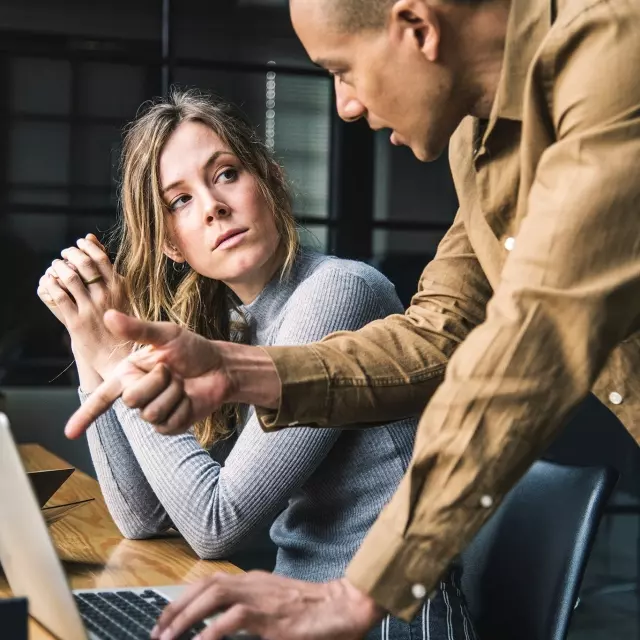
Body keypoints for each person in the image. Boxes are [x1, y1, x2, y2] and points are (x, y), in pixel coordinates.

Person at [64, 0, 640, 637]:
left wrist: (365, 589)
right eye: (179, 201)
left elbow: (533, 339)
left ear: (416, 28)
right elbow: (437, 333)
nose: (345, 105)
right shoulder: (476, 142)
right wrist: (236, 368)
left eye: (343, 69)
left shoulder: (614, 58)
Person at [38, 90, 476, 640]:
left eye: (224, 174)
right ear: (173, 245)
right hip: (298, 616)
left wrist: (119, 357)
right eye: (179, 201)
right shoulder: (233, 322)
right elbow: (143, 519)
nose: (212, 207)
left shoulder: (339, 292)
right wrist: (89, 344)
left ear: (269, 180)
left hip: (387, 622)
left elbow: (214, 524)